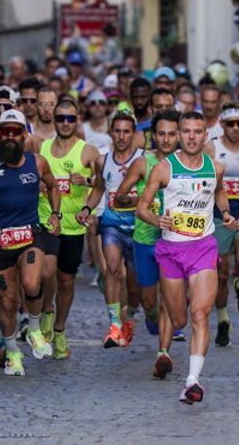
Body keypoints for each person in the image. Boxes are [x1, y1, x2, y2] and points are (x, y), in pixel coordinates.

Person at [137, 111, 236, 405]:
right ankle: (182, 309)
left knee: (200, 315)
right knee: (179, 318)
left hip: (203, 247)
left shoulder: (216, 168)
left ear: (205, 136)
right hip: (171, 250)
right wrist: (158, 221)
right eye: (187, 132)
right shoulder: (164, 169)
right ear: (179, 135)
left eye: (197, 131)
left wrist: (227, 213)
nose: (192, 137)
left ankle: (192, 381)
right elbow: (142, 208)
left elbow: (219, 195)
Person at [0, 109, 62, 377]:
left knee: (31, 283)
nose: (9, 137)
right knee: (7, 301)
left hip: (30, 235)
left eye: (14, 132)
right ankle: (13, 353)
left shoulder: (37, 163)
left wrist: (55, 214)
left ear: (24, 136)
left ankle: (34, 327)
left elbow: (53, 186)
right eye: (4, 131)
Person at [114, 110, 182, 378]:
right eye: (161, 134)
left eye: (171, 134)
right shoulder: (144, 163)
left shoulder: (185, 163)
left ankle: (163, 352)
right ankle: (152, 321)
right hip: (145, 239)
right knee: (148, 300)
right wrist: (143, 205)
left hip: (175, 240)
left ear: (178, 135)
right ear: (153, 135)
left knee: (168, 297)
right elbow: (120, 197)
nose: (166, 139)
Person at [37, 97, 102, 360]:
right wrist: (37, 186)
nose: (65, 123)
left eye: (70, 118)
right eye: (60, 118)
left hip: (74, 226)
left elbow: (101, 184)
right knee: (46, 272)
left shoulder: (88, 151)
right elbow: (30, 175)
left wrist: (86, 181)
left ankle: (60, 328)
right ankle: (46, 311)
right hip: (46, 221)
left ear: (77, 121)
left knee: (66, 281)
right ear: (54, 120)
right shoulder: (41, 148)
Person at [204, 102, 239, 346]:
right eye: (230, 124)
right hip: (218, 217)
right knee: (220, 273)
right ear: (222, 125)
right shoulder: (211, 148)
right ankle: (223, 319)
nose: (236, 128)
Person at [83, 110, 143, 348]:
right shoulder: (102, 160)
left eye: (126, 131)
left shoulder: (143, 160)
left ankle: (129, 315)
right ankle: (114, 323)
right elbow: (99, 189)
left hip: (139, 225)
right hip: (111, 225)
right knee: (112, 269)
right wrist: (87, 209)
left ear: (134, 134)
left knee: (135, 282)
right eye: (117, 131)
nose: (121, 136)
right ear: (110, 133)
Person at [82, 90, 113, 155]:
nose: (97, 106)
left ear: (106, 106)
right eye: (93, 103)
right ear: (87, 107)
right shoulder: (82, 128)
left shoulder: (113, 125)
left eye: (101, 102)